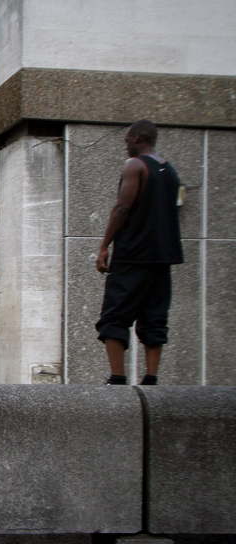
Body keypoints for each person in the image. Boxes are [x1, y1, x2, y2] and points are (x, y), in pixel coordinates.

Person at [95, 120, 184, 386]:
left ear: (136, 138)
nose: (124, 145)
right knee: (154, 317)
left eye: (125, 140)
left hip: (133, 254)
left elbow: (122, 208)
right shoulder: (170, 171)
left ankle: (117, 379)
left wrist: (104, 246)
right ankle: (151, 379)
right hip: (163, 257)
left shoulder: (135, 165)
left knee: (115, 316)